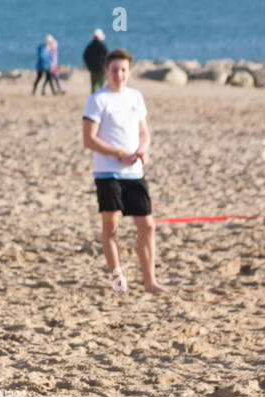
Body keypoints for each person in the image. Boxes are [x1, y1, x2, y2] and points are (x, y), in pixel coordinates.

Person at [81, 48, 165, 294]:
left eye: (124, 70)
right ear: (107, 71)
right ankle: (119, 281)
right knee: (112, 227)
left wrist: (143, 150)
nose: (119, 74)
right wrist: (119, 154)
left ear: (129, 72)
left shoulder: (135, 97)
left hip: (134, 172)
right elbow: (89, 139)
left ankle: (150, 282)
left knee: (148, 225)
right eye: (115, 70)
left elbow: (144, 132)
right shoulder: (98, 99)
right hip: (108, 173)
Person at [83, 29, 109, 94]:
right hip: (101, 69)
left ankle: (94, 98)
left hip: (93, 69)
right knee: (102, 84)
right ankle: (100, 96)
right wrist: (106, 66)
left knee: (94, 85)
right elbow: (108, 56)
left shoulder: (90, 46)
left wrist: (89, 65)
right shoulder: (103, 46)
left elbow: (85, 56)